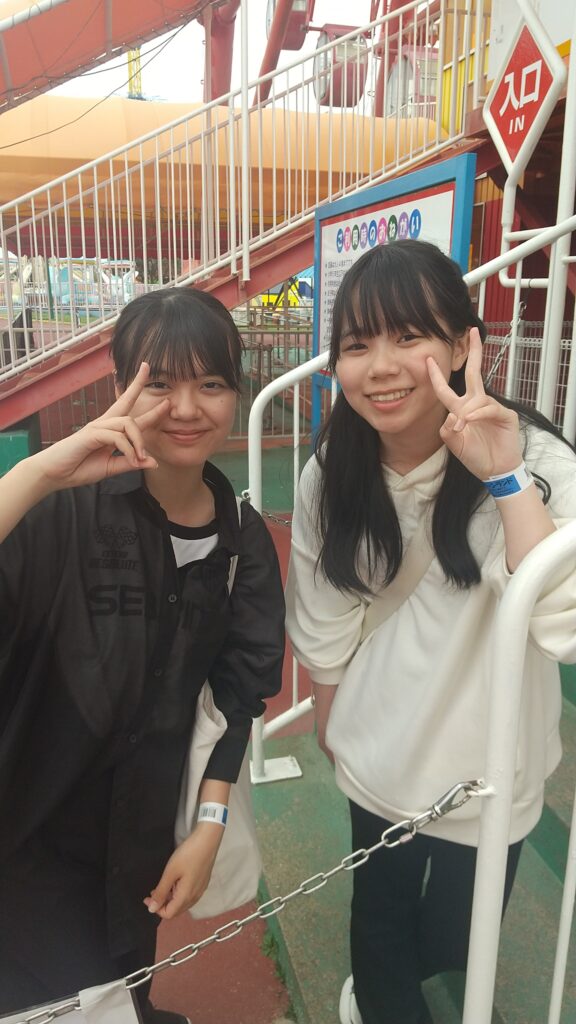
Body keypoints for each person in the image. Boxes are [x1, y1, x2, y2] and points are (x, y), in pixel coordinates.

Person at [285, 240, 576, 1024]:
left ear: (461, 346)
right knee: (378, 917)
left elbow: (563, 623)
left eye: (409, 336)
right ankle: (378, 1001)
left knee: (457, 934)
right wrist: (331, 721)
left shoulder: (536, 460)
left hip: (492, 763)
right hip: (379, 747)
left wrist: (503, 477)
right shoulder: (331, 472)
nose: (380, 367)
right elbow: (324, 608)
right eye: (357, 344)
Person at [0, 287, 285, 1021]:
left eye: (210, 383)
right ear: (121, 383)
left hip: (141, 836)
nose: (185, 408)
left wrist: (208, 825)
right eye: (160, 383)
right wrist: (36, 476)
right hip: (27, 836)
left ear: (236, 392)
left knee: (126, 980)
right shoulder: (56, 513)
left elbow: (237, 694)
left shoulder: (242, 541)